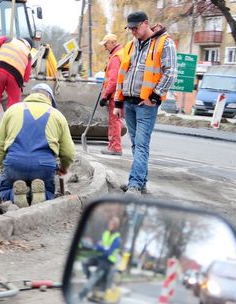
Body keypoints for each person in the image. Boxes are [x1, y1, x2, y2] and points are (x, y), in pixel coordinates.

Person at [113, 11, 177, 196]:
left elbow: (171, 72)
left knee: (141, 145)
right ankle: (141, 182)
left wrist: (154, 97)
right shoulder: (131, 45)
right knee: (136, 145)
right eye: (130, 28)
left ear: (146, 23)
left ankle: (134, 185)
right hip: (130, 102)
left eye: (135, 27)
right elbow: (122, 74)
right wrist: (118, 102)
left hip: (146, 105)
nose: (132, 31)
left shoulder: (165, 43)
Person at [0, 83, 74, 208]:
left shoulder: (12, 110)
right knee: (48, 191)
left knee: (4, 189)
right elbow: (68, 152)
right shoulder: (58, 116)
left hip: (15, 164)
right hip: (43, 167)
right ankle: (41, 195)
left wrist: (2, 167)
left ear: (31, 95)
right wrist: (63, 168)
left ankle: (14, 196)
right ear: (50, 99)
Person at [0, 36, 33, 141]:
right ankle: (10, 135)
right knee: (13, 107)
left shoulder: (8, 39)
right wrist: (18, 85)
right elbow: (26, 77)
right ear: (29, 46)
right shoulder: (28, 54)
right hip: (15, 76)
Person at [79, 216, 122, 301]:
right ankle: (91, 280)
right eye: (109, 223)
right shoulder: (106, 233)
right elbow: (98, 246)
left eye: (112, 224)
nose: (109, 225)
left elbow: (108, 252)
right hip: (101, 257)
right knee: (85, 262)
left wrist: (103, 248)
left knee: (95, 276)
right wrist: (104, 248)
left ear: (115, 226)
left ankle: (81, 295)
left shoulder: (117, 239)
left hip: (108, 262)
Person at [98, 34, 124, 156]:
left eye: (105, 44)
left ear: (112, 43)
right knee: (116, 120)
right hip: (119, 93)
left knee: (115, 121)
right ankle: (114, 146)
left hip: (115, 95)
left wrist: (105, 96)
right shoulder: (121, 54)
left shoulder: (116, 57)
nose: (104, 47)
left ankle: (115, 147)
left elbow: (113, 80)